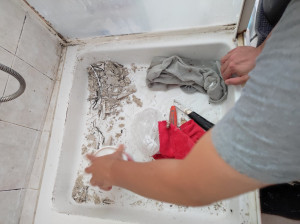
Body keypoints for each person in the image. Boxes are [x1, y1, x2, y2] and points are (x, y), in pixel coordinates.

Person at [85, 0, 300, 208]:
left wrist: (112, 171)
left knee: (269, 196)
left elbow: (195, 185)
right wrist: (263, 51)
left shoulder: (289, 92)